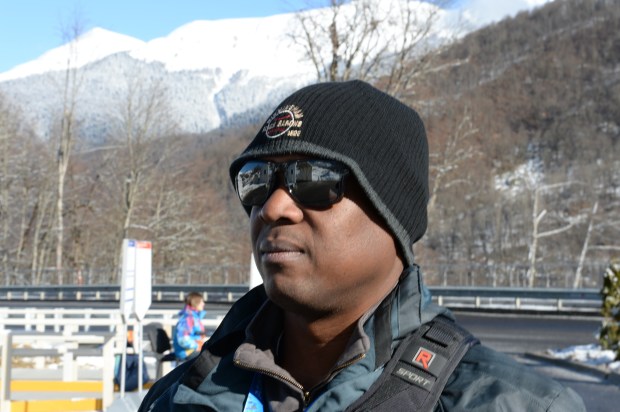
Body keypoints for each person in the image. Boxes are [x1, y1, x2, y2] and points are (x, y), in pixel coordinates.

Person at [140, 81, 585, 411]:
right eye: (257, 181)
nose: (272, 207)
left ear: (391, 214)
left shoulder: (516, 405)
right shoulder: (177, 397)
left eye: (313, 179)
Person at [172, 291, 207, 361]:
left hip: (193, 350)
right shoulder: (187, 319)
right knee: (211, 358)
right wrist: (197, 345)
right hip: (186, 352)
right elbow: (183, 339)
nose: (204, 304)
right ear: (195, 303)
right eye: (201, 302)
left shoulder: (194, 317)